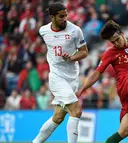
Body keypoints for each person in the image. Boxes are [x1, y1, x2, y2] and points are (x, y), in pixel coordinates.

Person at [32, 2, 88, 143]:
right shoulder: (43, 31)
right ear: (52, 17)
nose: (65, 19)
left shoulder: (75, 31)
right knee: (76, 111)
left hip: (72, 78)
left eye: (66, 15)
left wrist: (72, 57)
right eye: (61, 16)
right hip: (57, 77)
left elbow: (84, 52)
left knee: (57, 117)